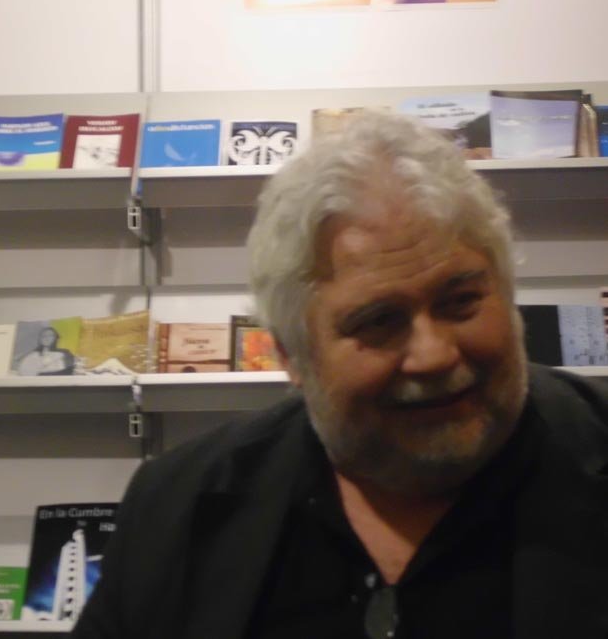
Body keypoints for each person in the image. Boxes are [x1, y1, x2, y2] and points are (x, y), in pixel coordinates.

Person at [72, 112, 608, 639]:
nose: (434, 355)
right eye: (379, 322)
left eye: (461, 301)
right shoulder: (176, 508)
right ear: (292, 356)